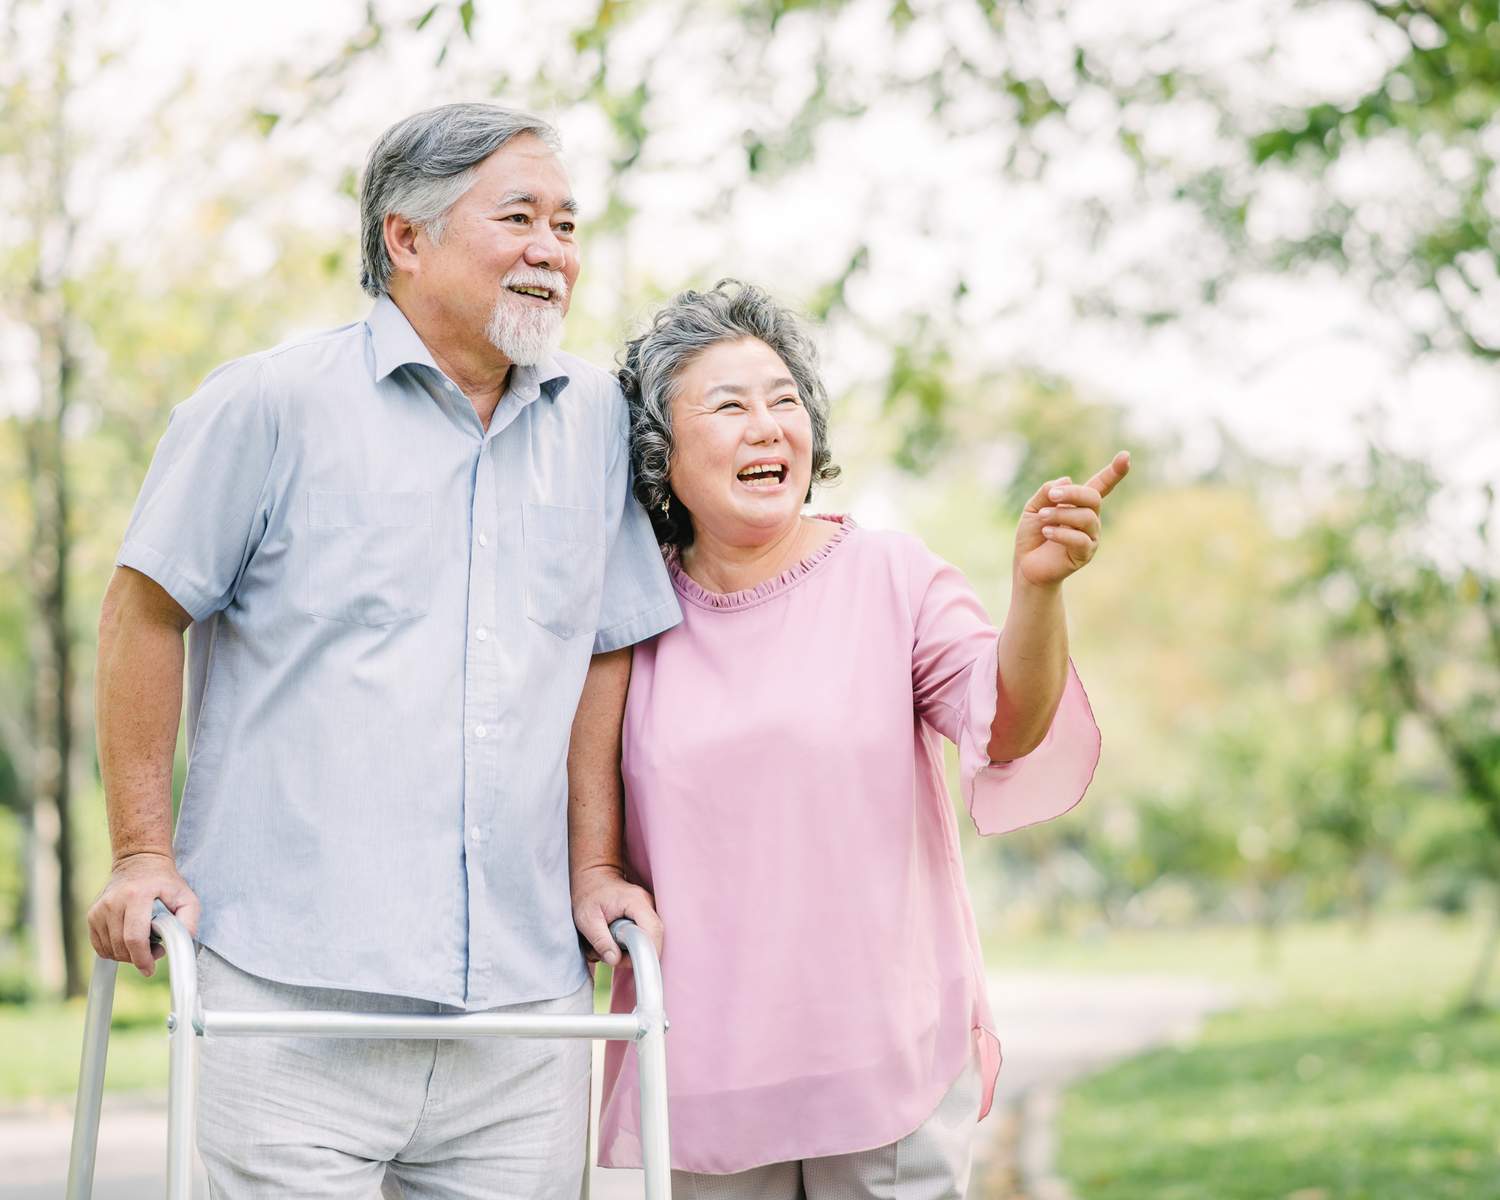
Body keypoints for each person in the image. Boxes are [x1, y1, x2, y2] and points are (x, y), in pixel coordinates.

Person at [85, 102, 677, 1197]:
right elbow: (143, 613)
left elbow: (607, 648)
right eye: (521, 219)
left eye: (567, 225)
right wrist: (139, 851)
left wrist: (596, 863)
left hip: (524, 1015)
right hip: (291, 1003)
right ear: (406, 238)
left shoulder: (600, 419)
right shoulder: (266, 405)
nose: (554, 252)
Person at [576, 280, 1125, 1197]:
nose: (766, 426)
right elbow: (588, 799)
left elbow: (1010, 720)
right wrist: (596, 876)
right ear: (660, 453)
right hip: (709, 1066)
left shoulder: (892, 576)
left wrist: (1037, 591)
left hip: (883, 1056)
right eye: (728, 406)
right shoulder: (631, 608)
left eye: (784, 400)